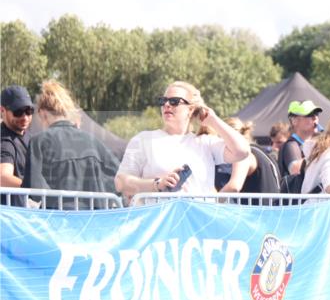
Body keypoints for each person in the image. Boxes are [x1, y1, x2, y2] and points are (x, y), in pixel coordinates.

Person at [115, 81, 251, 204]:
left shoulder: (205, 143)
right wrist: (157, 184)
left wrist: (213, 120)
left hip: (198, 224)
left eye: (174, 101)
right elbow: (120, 183)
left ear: (190, 109)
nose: (167, 105)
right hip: (158, 223)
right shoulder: (143, 139)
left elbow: (242, 151)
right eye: (163, 101)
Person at [24, 80, 119, 208]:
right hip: (94, 219)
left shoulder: (38, 142)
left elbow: (34, 190)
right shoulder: (92, 141)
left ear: (42, 113)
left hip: (56, 220)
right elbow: (120, 177)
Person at [1, 85, 34, 207]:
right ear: (2, 111)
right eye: (18, 112)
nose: (24, 117)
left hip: (21, 216)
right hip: (7, 219)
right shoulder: (4, 142)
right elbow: (2, 178)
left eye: (29, 111)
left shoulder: (29, 136)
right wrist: (35, 188)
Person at [279, 100, 322, 177]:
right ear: (294, 121)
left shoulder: (317, 143)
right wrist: (321, 154)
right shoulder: (291, 145)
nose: (315, 117)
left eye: (316, 114)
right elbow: (296, 169)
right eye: (310, 115)